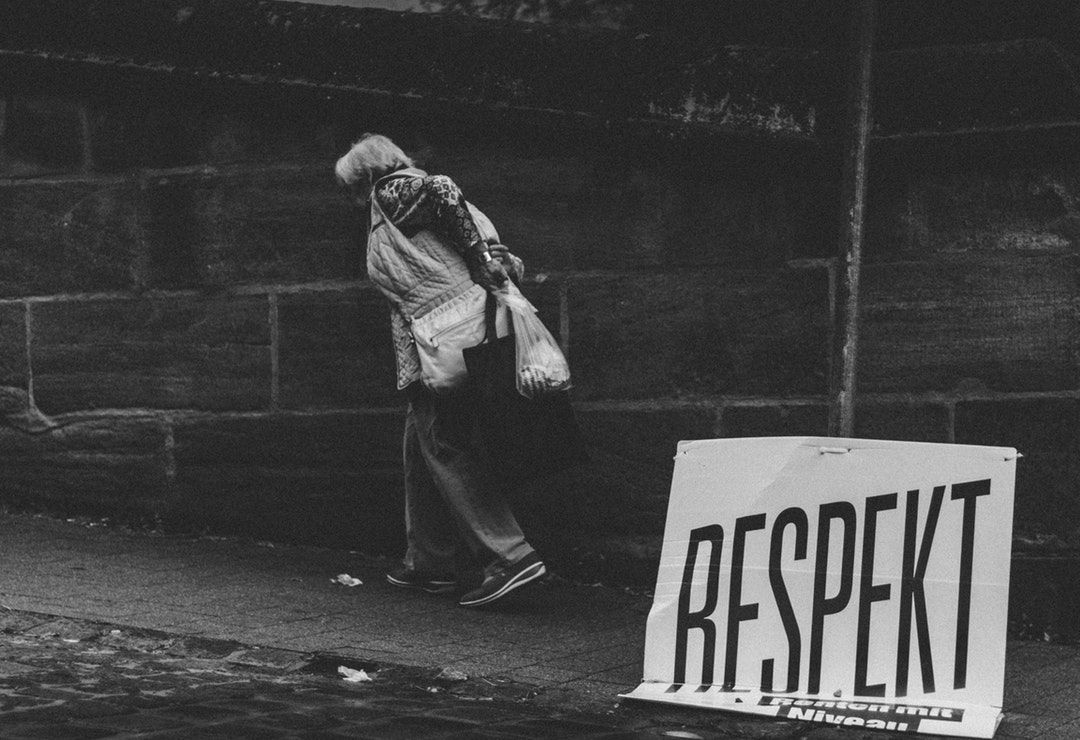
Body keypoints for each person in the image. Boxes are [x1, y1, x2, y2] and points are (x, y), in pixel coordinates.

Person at [334, 133, 546, 608]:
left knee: (446, 443)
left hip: (446, 338)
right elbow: (500, 252)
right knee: (421, 444)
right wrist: (487, 261)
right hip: (451, 334)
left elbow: (442, 191)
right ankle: (429, 560)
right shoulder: (407, 204)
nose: (353, 198)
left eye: (353, 185)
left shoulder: (395, 189)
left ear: (369, 174)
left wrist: (477, 260)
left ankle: (509, 556)